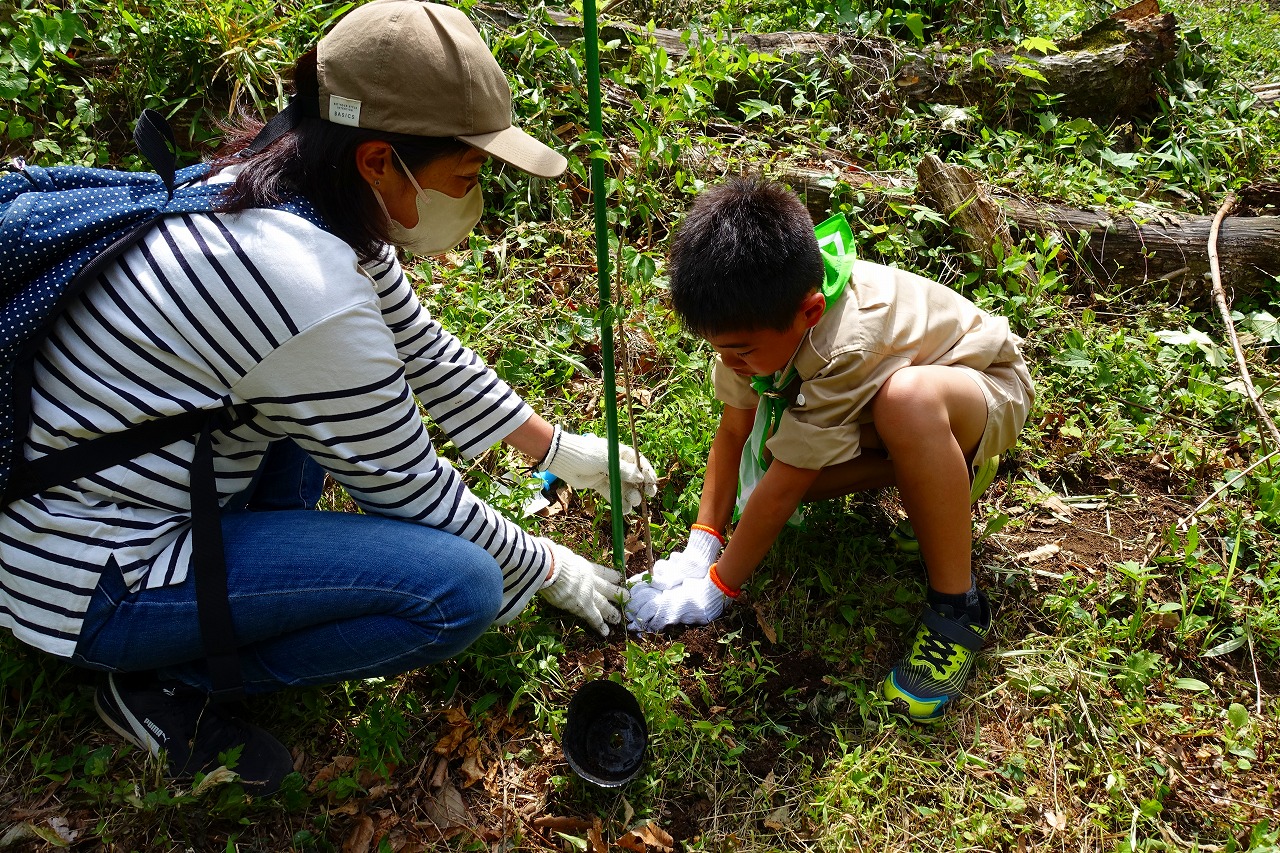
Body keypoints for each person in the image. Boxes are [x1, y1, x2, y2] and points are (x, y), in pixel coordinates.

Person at [0, 0, 655, 794]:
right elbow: (418, 496)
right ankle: (168, 677)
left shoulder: (288, 187)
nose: (474, 198)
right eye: (468, 173)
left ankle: (214, 614)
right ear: (380, 159)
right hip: (92, 577)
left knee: (315, 433)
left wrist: (554, 448)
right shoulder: (306, 292)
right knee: (462, 588)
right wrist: (548, 565)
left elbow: (421, 348)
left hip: (115, 496)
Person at [625, 177, 1034, 722]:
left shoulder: (846, 339)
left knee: (902, 402)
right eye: (719, 352)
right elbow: (734, 432)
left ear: (810, 312)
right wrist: (704, 543)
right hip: (884, 399)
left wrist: (717, 587)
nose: (731, 365)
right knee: (779, 458)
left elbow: (782, 492)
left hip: (982, 389)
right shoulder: (756, 319)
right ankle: (936, 477)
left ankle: (958, 607)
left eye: (740, 353)